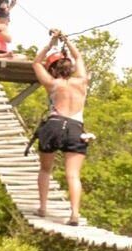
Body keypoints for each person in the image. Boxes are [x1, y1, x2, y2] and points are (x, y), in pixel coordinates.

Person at [31, 30, 89, 225]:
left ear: (54, 70)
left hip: (54, 125)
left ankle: (42, 207)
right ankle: (74, 214)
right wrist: (67, 41)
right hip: (76, 128)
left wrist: (50, 44)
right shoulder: (82, 82)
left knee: (46, 170)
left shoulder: (52, 83)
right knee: (73, 174)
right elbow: (78, 56)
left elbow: (36, 63)